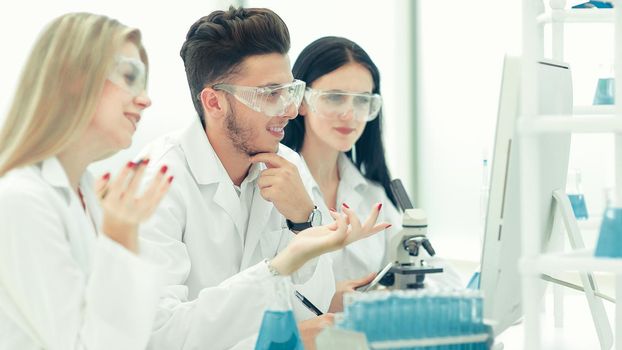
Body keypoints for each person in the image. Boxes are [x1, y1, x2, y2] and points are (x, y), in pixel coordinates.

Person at [136, 7, 390, 350]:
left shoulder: (287, 165)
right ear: (214, 102)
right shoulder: (158, 182)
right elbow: (159, 335)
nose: (289, 109)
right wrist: (279, 334)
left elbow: (314, 301)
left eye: (289, 91)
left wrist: (304, 221)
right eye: (270, 94)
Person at [0, 12, 172, 350]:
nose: (145, 99)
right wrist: (120, 238)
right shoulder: (19, 200)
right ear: (73, 78)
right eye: (129, 76)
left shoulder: (86, 195)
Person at [283, 37, 463, 311]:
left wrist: (381, 293)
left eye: (362, 101)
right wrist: (324, 301)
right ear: (302, 101)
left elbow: (443, 277)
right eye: (334, 97)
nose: (350, 114)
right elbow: (254, 289)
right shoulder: (277, 184)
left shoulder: (371, 194)